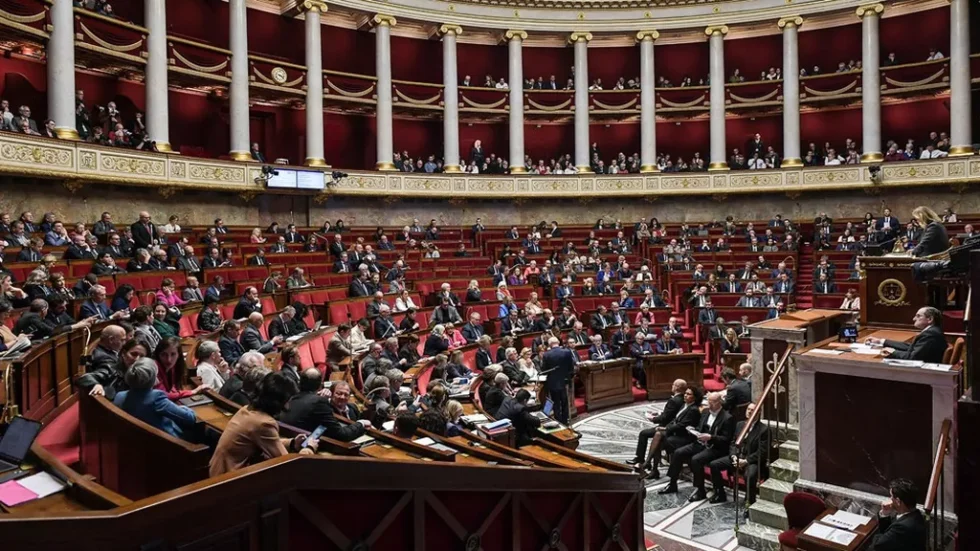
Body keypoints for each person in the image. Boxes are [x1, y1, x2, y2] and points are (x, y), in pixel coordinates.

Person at [209, 372, 317, 477]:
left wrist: (292, 443)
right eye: (287, 400)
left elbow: (270, 442)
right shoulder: (263, 423)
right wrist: (309, 449)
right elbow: (288, 464)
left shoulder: (247, 409)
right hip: (228, 480)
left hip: (218, 471)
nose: (288, 405)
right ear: (279, 401)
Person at [659, 392, 736, 501]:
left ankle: (700, 490)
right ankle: (672, 483)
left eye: (713, 402)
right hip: (700, 443)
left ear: (720, 402)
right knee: (678, 453)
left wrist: (711, 437)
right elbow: (700, 428)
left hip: (715, 447)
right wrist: (693, 430)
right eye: (708, 401)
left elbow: (726, 439)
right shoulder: (705, 412)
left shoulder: (727, 418)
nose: (710, 404)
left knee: (696, 460)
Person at [113, 357, 198, 439]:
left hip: (133, 442)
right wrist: (185, 408)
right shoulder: (156, 398)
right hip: (167, 445)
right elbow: (190, 418)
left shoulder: (119, 396)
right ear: (153, 378)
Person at [279, 368, 373, 441]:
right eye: (339, 394)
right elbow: (341, 435)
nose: (342, 397)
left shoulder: (291, 397)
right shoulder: (319, 402)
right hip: (306, 448)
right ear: (320, 385)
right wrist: (361, 423)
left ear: (299, 382)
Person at [708, 402, 770, 504]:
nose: (749, 412)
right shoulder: (739, 424)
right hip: (737, 457)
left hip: (751, 460)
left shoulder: (764, 429)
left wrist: (745, 461)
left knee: (749, 475)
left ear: (758, 413)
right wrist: (734, 456)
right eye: (748, 409)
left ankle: (749, 502)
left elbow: (762, 451)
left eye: (752, 410)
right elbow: (733, 443)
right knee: (714, 465)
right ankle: (720, 494)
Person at [641, 386, 703, 479]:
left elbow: (681, 425)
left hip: (684, 436)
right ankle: (651, 467)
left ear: (695, 397)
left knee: (658, 438)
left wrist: (665, 429)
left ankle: (650, 465)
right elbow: (675, 420)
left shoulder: (693, 409)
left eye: (688, 394)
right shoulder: (684, 405)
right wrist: (666, 427)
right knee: (658, 437)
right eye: (685, 393)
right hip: (676, 433)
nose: (685, 395)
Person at [629, 379, 686, 469]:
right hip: (672, 425)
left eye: (673, 385)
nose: (672, 386)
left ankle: (640, 459)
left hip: (666, 427)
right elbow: (671, 414)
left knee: (643, 433)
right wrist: (660, 413)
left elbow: (665, 418)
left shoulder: (674, 400)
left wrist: (653, 419)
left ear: (677, 387)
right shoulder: (683, 399)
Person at [76, 329, 143, 399]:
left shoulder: (107, 351)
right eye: (122, 340)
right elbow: (84, 377)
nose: (124, 343)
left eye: (142, 356)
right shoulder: (108, 362)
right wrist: (96, 385)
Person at [865, 306, 947, 363]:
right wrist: (881, 341)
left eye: (918, 316)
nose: (914, 319)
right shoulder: (932, 331)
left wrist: (893, 352)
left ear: (930, 319)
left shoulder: (930, 334)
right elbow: (910, 347)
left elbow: (912, 358)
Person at [872, 478, 927, 550]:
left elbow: (878, 544)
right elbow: (888, 532)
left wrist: (876, 536)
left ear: (898, 501)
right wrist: (885, 514)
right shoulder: (916, 514)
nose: (890, 499)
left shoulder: (903, 527)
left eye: (891, 496)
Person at [541, 337, 575, 424]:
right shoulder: (567, 352)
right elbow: (571, 367)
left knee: (556, 402)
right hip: (565, 381)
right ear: (558, 343)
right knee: (565, 401)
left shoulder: (546, 354)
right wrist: (569, 377)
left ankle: (558, 421)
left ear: (550, 344)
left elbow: (544, 370)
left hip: (553, 382)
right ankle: (565, 420)